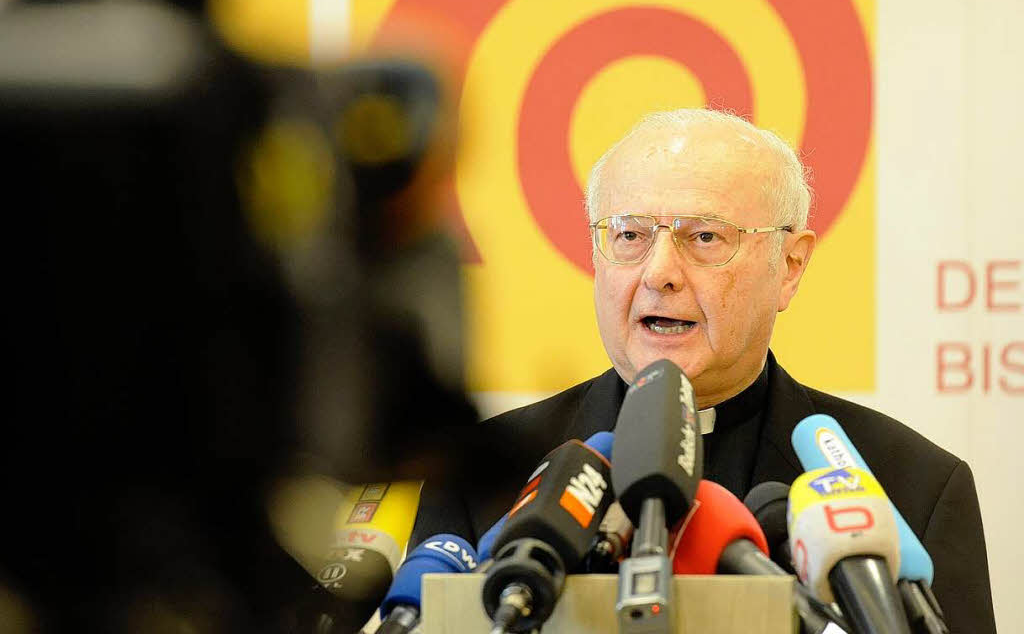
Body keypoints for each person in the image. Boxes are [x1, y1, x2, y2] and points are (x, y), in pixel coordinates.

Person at [410, 108, 995, 633]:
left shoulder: (913, 490)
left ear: (790, 266)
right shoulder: (479, 478)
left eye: (705, 236)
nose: (659, 271)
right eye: (630, 235)